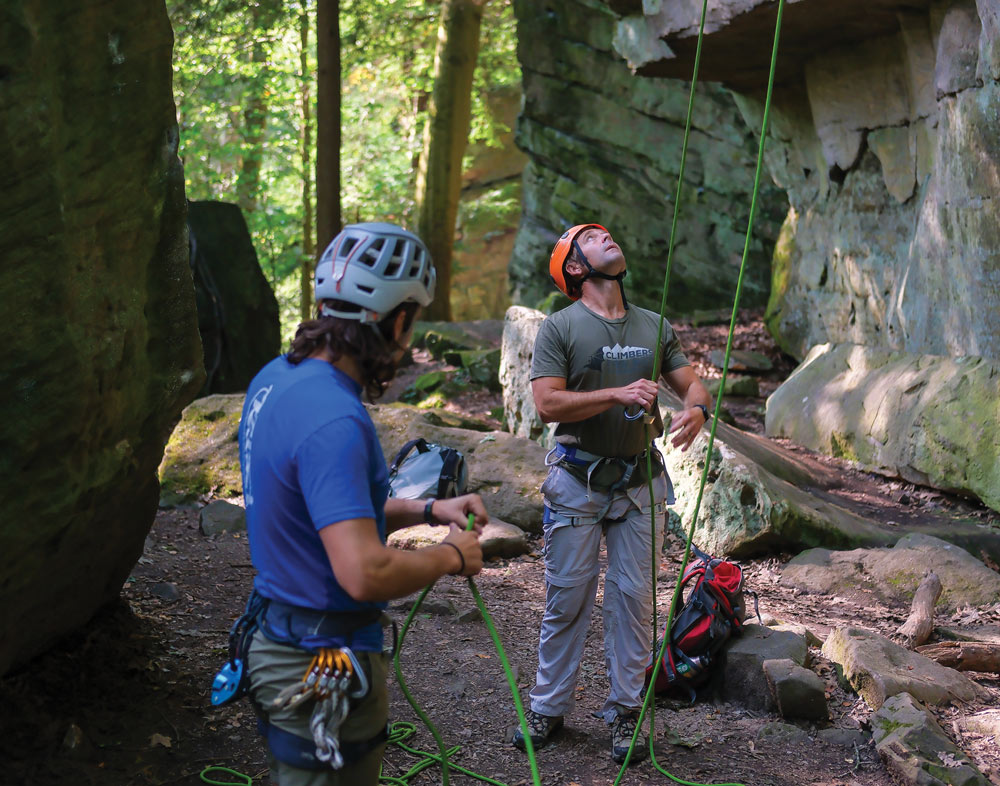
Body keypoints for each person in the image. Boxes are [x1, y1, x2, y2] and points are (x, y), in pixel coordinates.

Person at [236, 222, 488, 786]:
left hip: (278, 641)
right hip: (321, 662)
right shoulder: (336, 420)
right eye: (413, 320)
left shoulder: (276, 379)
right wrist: (452, 556)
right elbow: (363, 572)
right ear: (397, 320)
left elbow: (316, 510)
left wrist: (426, 512)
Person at [512, 223, 712, 763]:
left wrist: (696, 407)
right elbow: (548, 404)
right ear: (575, 268)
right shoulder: (561, 328)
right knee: (567, 600)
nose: (607, 238)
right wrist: (615, 394)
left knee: (633, 601)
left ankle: (626, 712)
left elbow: (690, 381)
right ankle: (548, 708)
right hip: (577, 482)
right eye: (591, 238)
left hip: (640, 483)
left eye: (607, 234)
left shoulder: (653, 324)